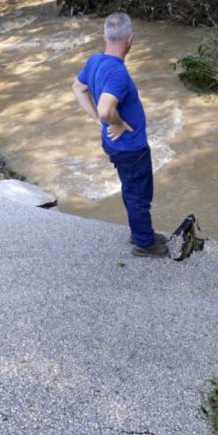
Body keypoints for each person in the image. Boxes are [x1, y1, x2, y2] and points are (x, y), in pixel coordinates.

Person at [71, 13, 169, 258]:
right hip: (130, 148)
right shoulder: (118, 73)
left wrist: (96, 119)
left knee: (131, 188)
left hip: (116, 146)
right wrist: (116, 122)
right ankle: (145, 244)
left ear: (105, 37)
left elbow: (78, 88)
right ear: (130, 41)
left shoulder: (94, 61)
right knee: (139, 194)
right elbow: (106, 109)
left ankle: (140, 231)